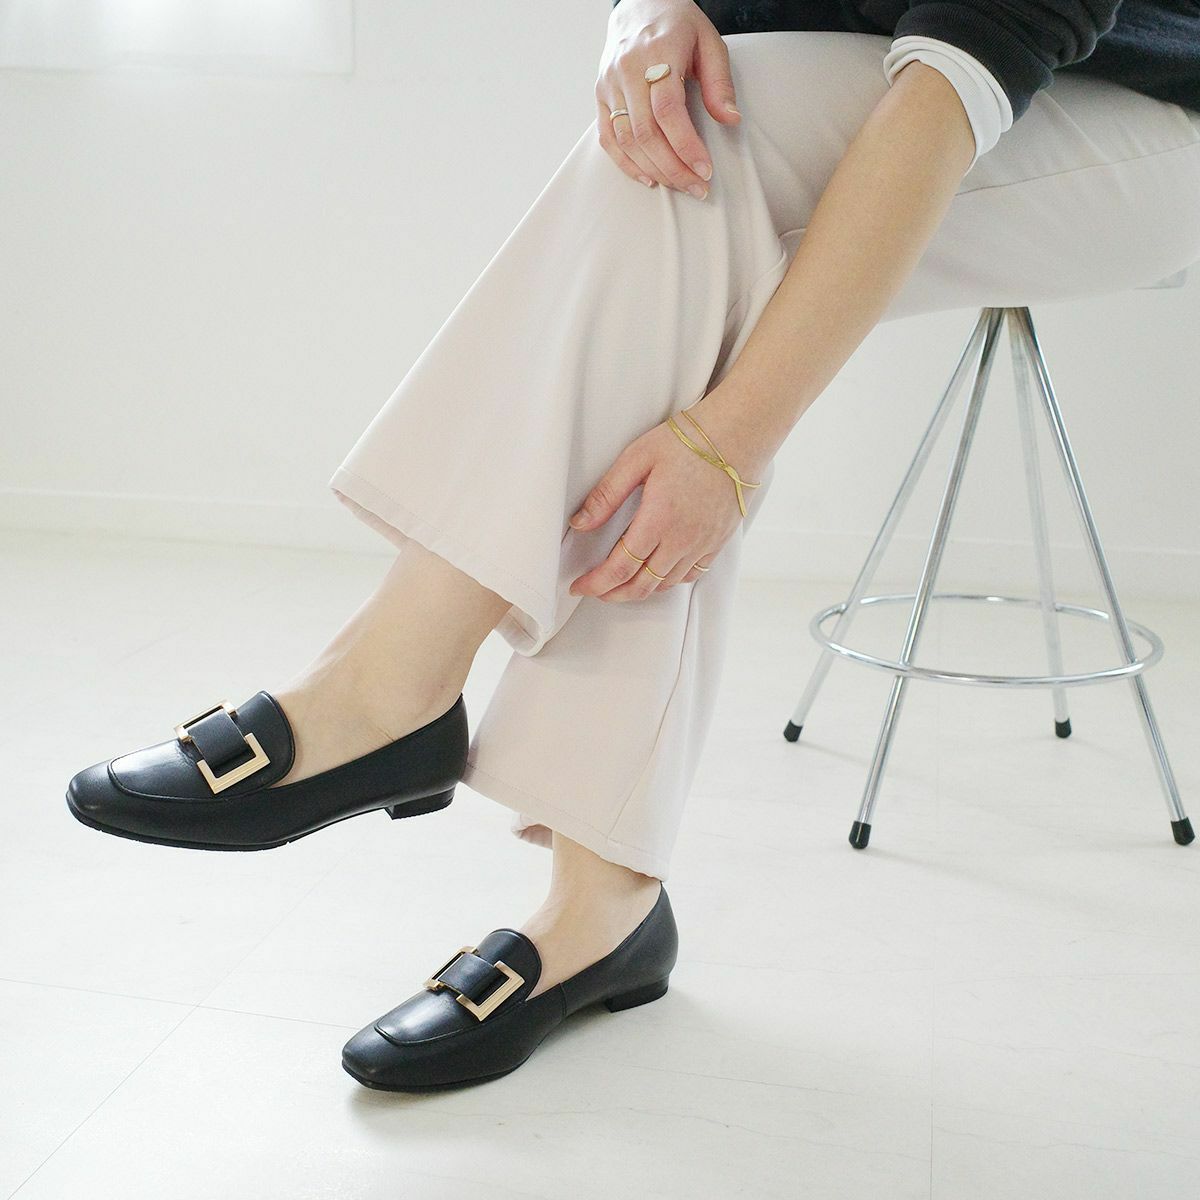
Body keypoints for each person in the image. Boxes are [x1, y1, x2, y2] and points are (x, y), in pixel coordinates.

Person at [64, 0, 1200, 1091]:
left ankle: (394, 696)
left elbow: (967, 67)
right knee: (675, 151)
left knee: (707, 168)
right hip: (890, 63)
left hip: (1136, 117)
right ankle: (595, 897)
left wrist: (728, 445)